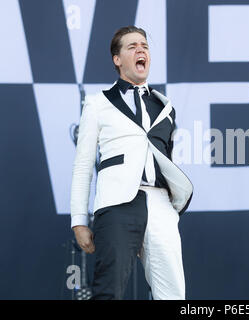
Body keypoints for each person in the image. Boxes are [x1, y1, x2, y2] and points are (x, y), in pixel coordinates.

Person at [70, 26, 193, 300]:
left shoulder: (165, 107)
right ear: (117, 59)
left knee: (172, 293)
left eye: (145, 46)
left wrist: (172, 205)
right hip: (117, 204)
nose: (141, 50)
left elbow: (166, 158)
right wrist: (79, 220)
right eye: (132, 46)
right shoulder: (97, 103)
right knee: (108, 291)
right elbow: (82, 165)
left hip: (161, 204)